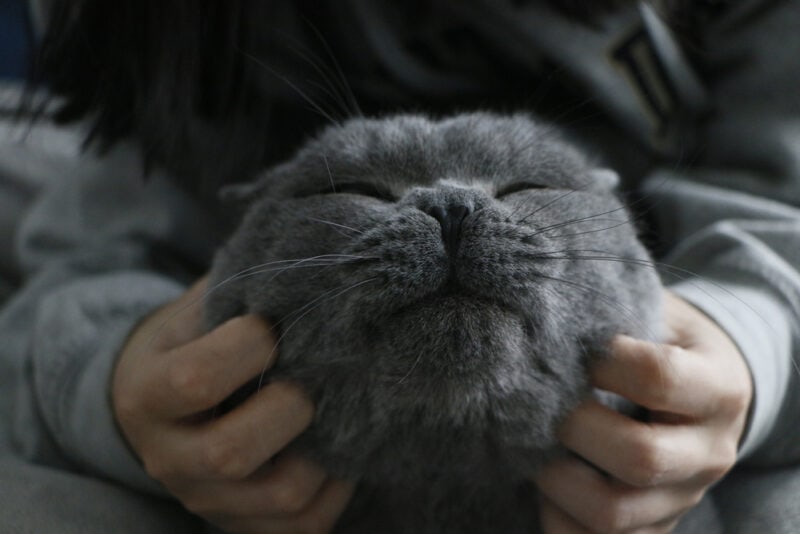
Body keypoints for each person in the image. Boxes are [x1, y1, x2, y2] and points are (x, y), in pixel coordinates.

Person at [1, 1, 799, 533]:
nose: (451, 208)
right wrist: (112, 385)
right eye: (356, 191)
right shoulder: (155, 29)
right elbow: (82, 268)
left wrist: (750, 336)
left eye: (520, 190)